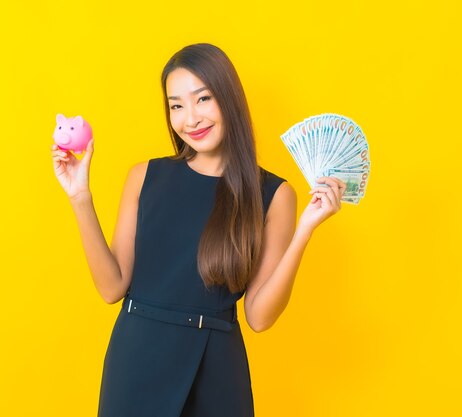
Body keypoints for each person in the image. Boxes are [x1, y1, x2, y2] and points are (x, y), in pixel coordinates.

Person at [52, 43, 346, 417]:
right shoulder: (144, 177)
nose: (190, 118)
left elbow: (259, 317)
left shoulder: (274, 194)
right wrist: (80, 197)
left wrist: (305, 230)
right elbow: (111, 287)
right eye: (176, 105)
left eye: (203, 98)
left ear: (229, 98)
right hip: (136, 363)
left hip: (217, 373)